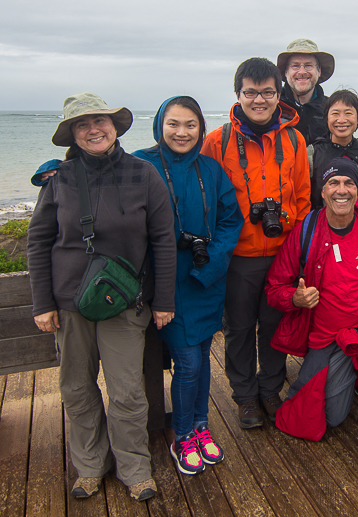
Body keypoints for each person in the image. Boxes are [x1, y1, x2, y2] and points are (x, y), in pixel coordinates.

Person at [27, 92, 176, 501]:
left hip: (126, 305)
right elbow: (38, 243)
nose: (94, 129)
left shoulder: (143, 174)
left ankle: (134, 466)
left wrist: (164, 301)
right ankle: (90, 465)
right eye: (82, 124)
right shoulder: (59, 179)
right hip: (69, 305)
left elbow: (164, 240)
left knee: (128, 391)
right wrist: (42, 304)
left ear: (115, 126)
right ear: (73, 135)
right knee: (76, 388)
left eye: (100, 121)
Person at [265, 157, 358, 463]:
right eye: (333, 183)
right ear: (322, 192)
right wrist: (295, 299)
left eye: (349, 183)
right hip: (326, 337)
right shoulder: (305, 232)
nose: (342, 189)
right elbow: (274, 288)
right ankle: (351, 370)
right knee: (331, 418)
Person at [133, 96, 243, 474]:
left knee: (200, 362)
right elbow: (95, 170)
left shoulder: (211, 169)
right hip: (166, 281)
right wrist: (53, 170)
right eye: (174, 124)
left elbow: (232, 220)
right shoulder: (141, 164)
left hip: (205, 278)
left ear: (200, 129)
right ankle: (183, 436)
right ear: (160, 125)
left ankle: (201, 427)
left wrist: (210, 266)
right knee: (191, 363)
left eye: (191, 125)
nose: (182, 132)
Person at [201, 57, 311, 428]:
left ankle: (270, 390)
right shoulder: (217, 141)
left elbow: (303, 198)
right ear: (238, 94)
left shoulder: (294, 138)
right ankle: (245, 397)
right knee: (240, 328)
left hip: (282, 253)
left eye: (267, 92)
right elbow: (204, 197)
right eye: (251, 92)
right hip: (238, 255)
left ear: (278, 94)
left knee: (276, 325)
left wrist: (297, 246)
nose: (259, 100)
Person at [309, 89, 358, 227]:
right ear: (326, 118)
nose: (341, 120)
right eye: (335, 113)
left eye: (348, 113)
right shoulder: (313, 153)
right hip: (327, 236)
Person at [277, 38, 335, 145]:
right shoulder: (272, 106)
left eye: (308, 65)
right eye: (295, 66)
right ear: (285, 72)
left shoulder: (331, 108)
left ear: (319, 71)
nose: (302, 72)